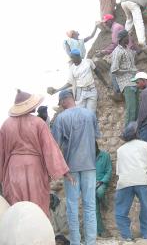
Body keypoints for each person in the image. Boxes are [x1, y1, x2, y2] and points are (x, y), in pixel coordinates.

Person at [0, 89, 74, 217]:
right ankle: (37, 235)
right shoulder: (38, 123)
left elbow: (1, 153)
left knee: (16, 207)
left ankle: (18, 235)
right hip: (35, 168)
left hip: (13, 169)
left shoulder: (6, 125)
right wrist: (65, 171)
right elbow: (50, 149)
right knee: (37, 205)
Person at [52, 90, 100, 245]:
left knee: (72, 206)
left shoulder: (61, 118)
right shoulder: (90, 114)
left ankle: (75, 242)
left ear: (65, 100)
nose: (61, 106)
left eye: (60, 103)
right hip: (89, 166)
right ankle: (91, 242)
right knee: (90, 206)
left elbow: (55, 146)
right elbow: (96, 138)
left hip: (71, 169)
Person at [115, 122, 147, 241]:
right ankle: (146, 234)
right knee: (146, 207)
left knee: (121, 211)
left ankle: (127, 236)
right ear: (137, 133)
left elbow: (119, 171)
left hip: (124, 182)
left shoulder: (120, 150)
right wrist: (146, 177)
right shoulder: (145, 145)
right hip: (142, 180)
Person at [47, 49, 108, 113]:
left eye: (72, 57)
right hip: (80, 92)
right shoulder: (72, 69)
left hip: (91, 89)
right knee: (80, 112)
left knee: (91, 113)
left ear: (78, 56)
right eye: (71, 58)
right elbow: (69, 83)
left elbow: (97, 72)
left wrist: (105, 83)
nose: (71, 59)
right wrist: (57, 90)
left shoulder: (88, 62)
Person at [111, 30, 138, 126]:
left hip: (135, 80)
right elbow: (114, 70)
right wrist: (128, 71)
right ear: (123, 39)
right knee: (131, 108)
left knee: (137, 108)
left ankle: (134, 130)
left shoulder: (127, 49)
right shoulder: (117, 52)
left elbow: (133, 59)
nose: (129, 39)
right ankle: (127, 132)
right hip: (126, 82)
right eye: (128, 37)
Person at [95, 141, 112, 237]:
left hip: (102, 182)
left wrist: (101, 181)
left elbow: (109, 171)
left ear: (97, 148)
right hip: (91, 184)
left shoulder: (105, 156)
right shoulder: (88, 158)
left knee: (100, 192)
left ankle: (104, 203)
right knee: (94, 209)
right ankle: (100, 230)